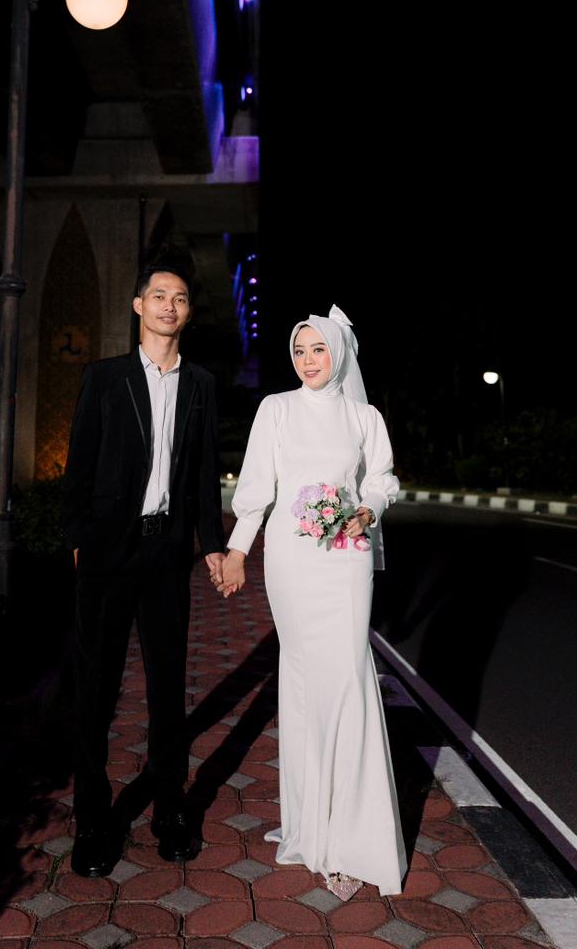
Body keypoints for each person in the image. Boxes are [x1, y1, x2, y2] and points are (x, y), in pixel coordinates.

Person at [217, 305, 407, 899]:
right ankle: (308, 826)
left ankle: (353, 833)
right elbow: (256, 488)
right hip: (291, 561)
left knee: (348, 676)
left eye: (318, 349)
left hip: (347, 558)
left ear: (339, 353)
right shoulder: (275, 409)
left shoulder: (364, 416)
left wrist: (367, 510)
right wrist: (237, 551)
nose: (307, 360)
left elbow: (381, 477)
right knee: (301, 682)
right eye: (299, 351)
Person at [62, 264, 226, 877]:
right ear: (138, 305)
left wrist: (212, 543)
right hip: (107, 552)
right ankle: (91, 818)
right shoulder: (105, 378)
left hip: (166, 552)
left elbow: (204, 471)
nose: (169, 306)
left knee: (166, 685)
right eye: (159, 295)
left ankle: (170, 809)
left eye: (179, 298)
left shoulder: (201, 384)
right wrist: (77, 540)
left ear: (187, 312)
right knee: (95, 687)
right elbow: (79, 464)